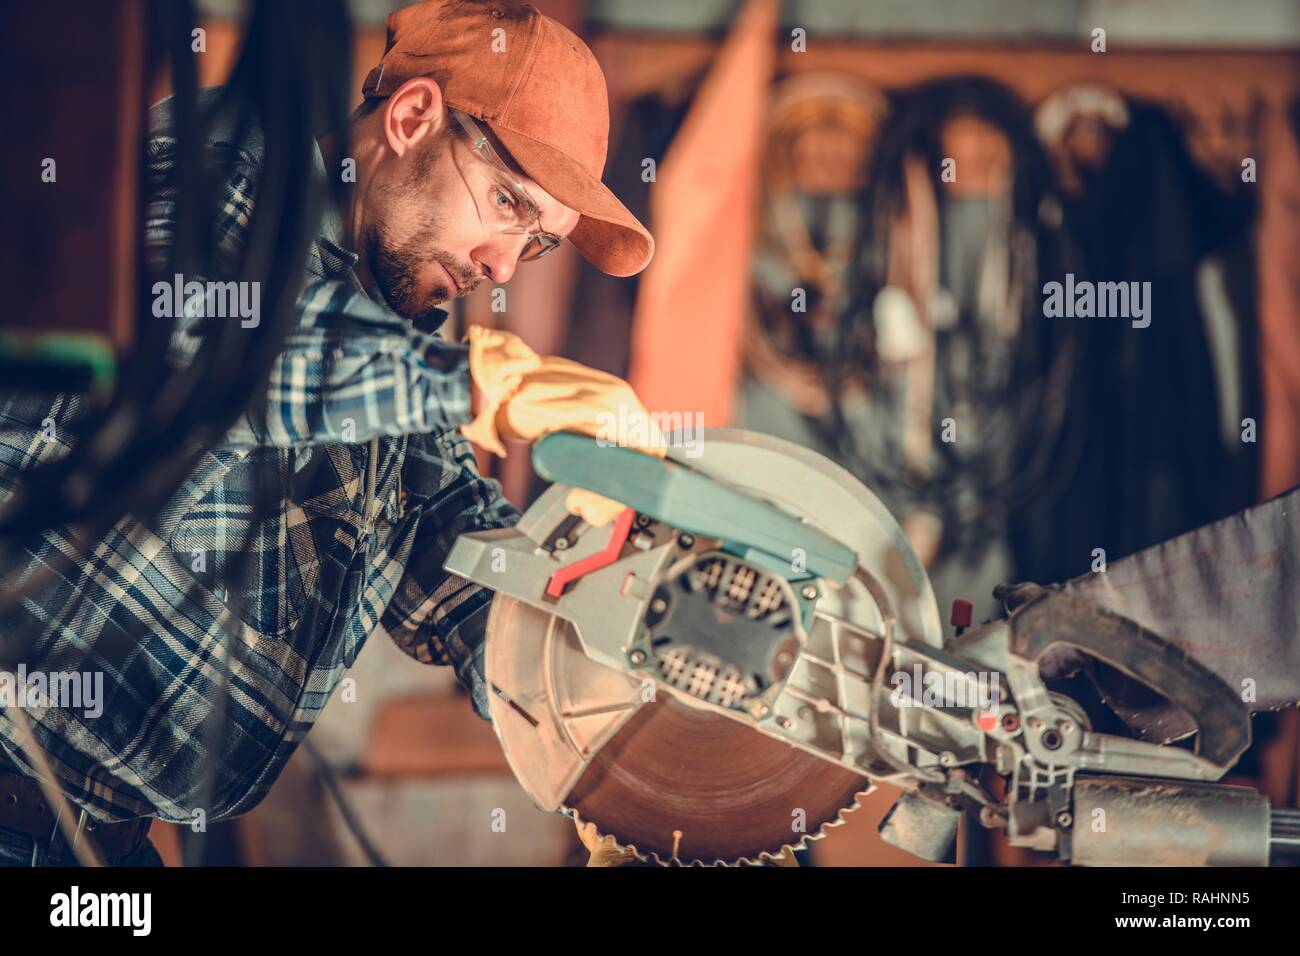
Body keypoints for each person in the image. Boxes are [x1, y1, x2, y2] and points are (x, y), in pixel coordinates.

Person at [0, 0, 661, 866]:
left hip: (97, 843)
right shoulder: (215, 175)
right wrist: (478, 384)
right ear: (412, 116)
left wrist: (601, 720)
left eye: (536, 242)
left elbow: (455, 553)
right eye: (506, 202)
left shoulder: (389, 322)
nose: (502, 265)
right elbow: (214, 353)